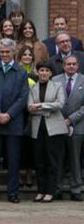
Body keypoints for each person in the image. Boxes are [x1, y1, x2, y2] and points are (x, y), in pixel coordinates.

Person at [0, 39, 29, 203]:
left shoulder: (21, 72)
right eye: (2, 52)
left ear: (14, 52)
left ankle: (13, 193)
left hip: (13, 122)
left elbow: (23, 97)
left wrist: (8, 114)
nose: (4, 55)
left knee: (13, 160)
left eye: (7, 52)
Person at [28, 60, 66, 202]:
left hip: (54, 130)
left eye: (46, 71)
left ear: (50, 73)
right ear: (37, 72)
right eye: (41, 70)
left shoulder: (57, 86)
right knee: (39, 161)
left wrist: (40, 106)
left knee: (52, 161)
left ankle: (51, 191)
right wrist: (45, 108)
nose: (43, 73)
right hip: (37, 129)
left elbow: (60, 104)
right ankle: (41, 190)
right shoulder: (32, 88)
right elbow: (30, 107)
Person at [54, 55, 84, 201]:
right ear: (63, 66)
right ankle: (57, 188)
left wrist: (71, 120)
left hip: (78, 125)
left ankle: (76, 189)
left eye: (73, 64)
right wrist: (61, 120)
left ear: (77, 65)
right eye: (68, 64)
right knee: (58, 158)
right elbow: (52, 100)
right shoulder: (55, 80)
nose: (71, 66)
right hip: (57, 125)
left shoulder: (83, 80)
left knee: (75, 159)